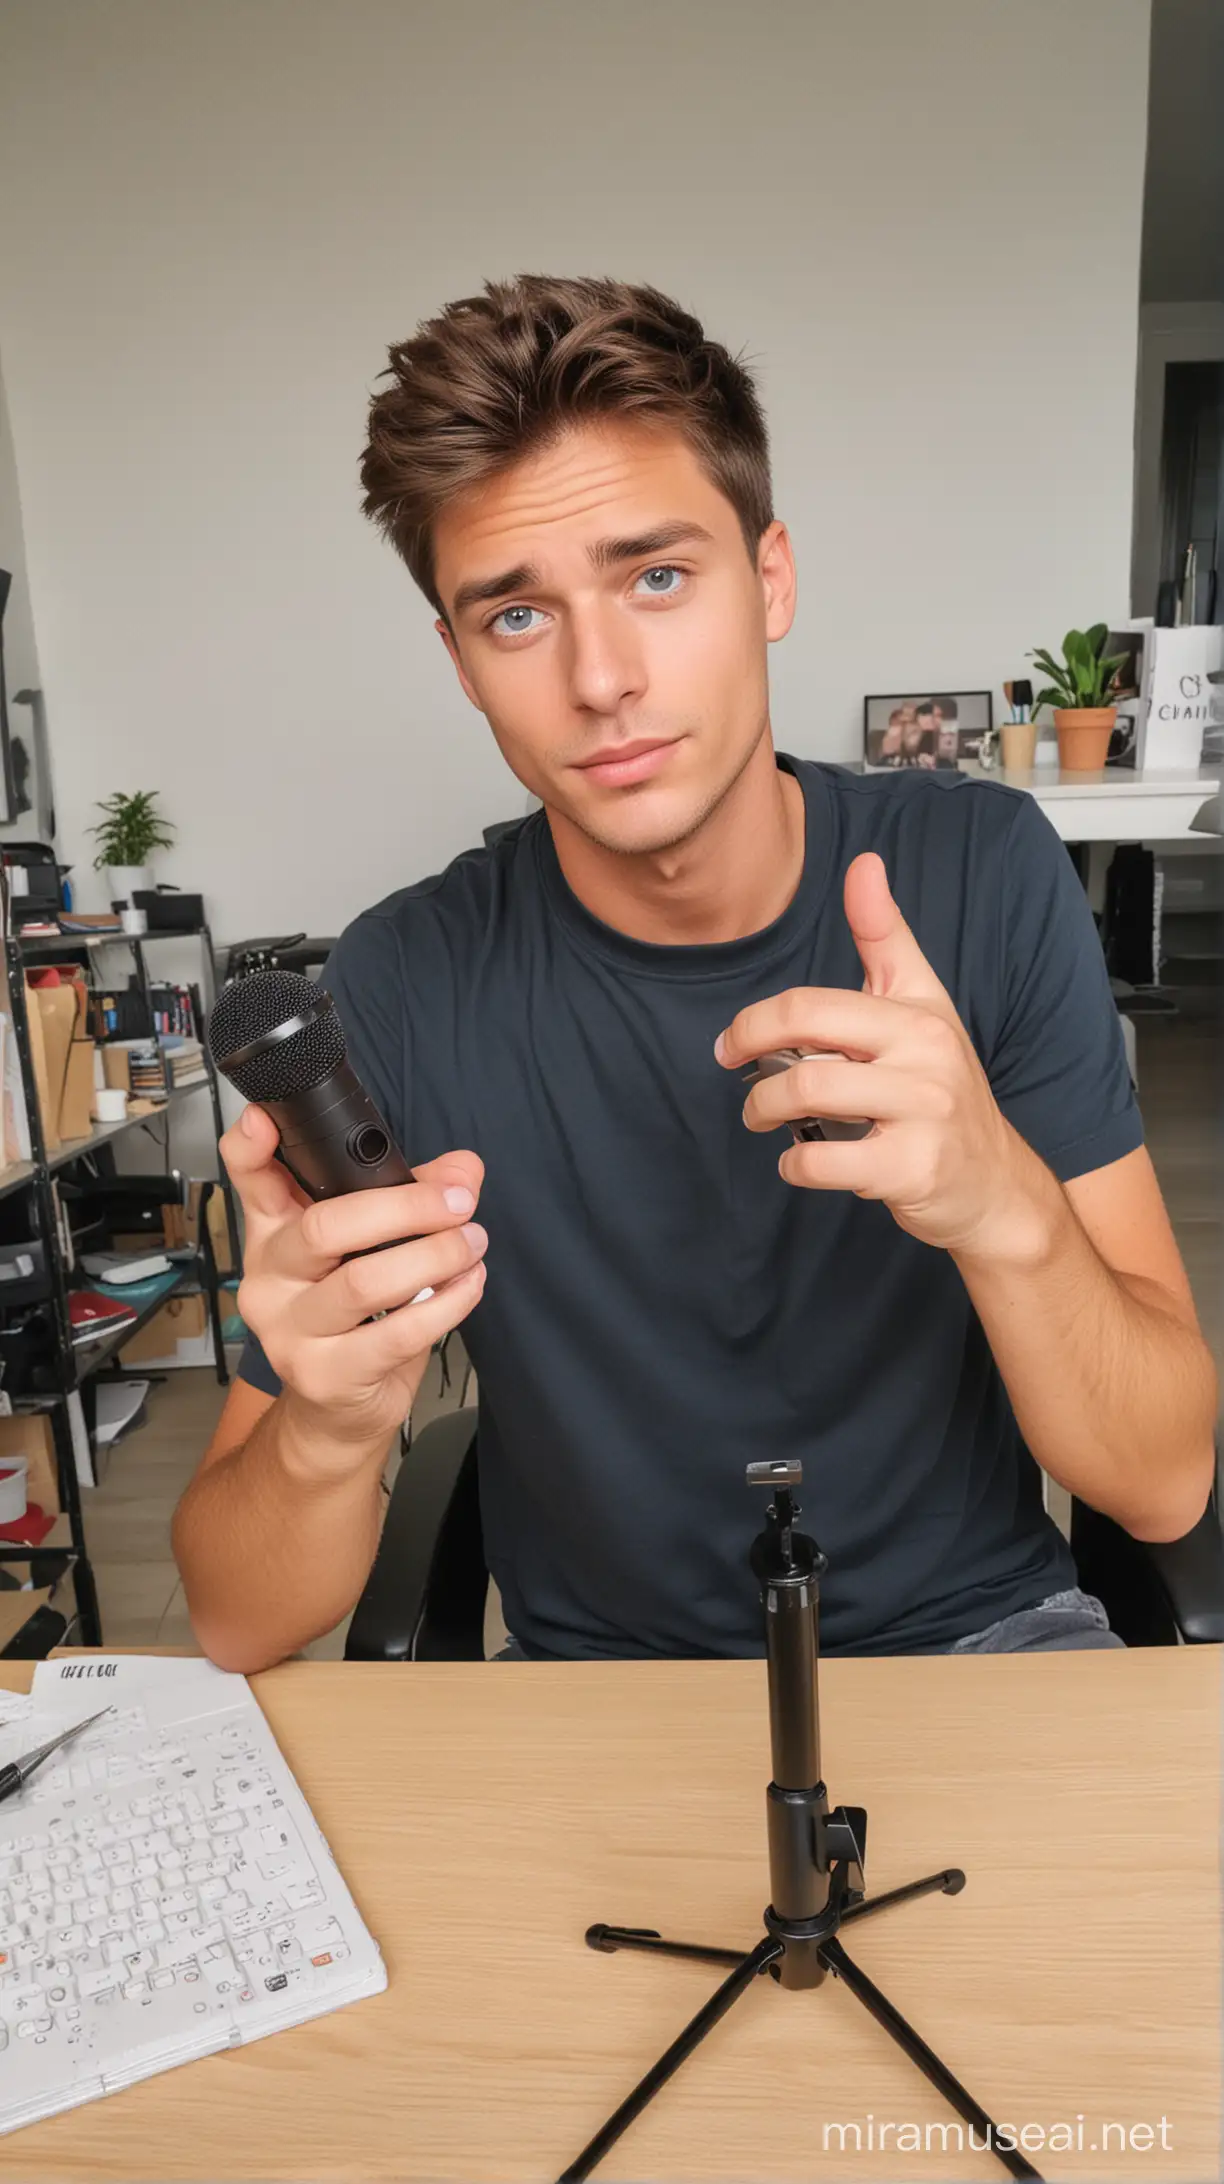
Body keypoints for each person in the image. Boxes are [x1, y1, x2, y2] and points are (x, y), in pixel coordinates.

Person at [173, 274, 1216, 1673]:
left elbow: (1163, 1482)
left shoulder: (982, 872)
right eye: (517, 617)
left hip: (985, 1645)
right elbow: (239, 1621)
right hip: (599, 1692)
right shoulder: (402, 979)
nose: (602, 678)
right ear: (462, 662)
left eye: (656, 576)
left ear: (769, 578)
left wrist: (1000, 1204)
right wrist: (329, 1424)